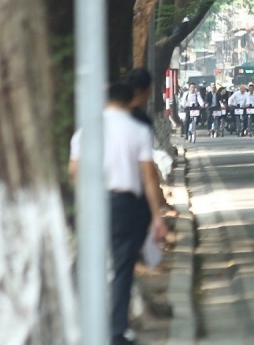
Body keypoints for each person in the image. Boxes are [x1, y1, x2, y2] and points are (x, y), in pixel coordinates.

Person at [69, 82, 168, 345]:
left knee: (90, 265)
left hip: (93, 205)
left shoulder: (85, 131)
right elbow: (148, 175)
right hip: (125, 207)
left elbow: (74, 172)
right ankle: (116, 331)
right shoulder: (137, 130)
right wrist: (157, 215)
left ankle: (85, 325)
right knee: (123, 268)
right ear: (128, 103)